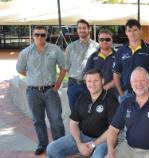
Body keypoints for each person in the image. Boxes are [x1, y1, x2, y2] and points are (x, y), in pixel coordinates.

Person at [46, 68, 119, 158]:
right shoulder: (82, 98)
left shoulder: (111, 100)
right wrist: (79, 143)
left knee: (98, 156)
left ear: (102, 81)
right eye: (89, 81)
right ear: (85, 82)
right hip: (83, 137)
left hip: (104, 141)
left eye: (95, 81)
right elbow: (73, 123)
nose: (92, 84)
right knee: (52, 149)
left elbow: (113, 129)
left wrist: (93, 145)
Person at [16, 25, 65, 155]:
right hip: (33, 92)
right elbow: (20, 69)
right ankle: (42, 144)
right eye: (37, 34)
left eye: (42, 35)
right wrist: (34, 78)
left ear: (46, 36)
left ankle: (59, 145)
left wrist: (58, 83)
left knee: (56, 120)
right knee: (38, 120)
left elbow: (63, 67)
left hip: (51, 91)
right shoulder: (26, 52)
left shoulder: (55, 49)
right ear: (33, 36)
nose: (39, 37)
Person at [106, 67, 149, 158]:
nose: (139, 84)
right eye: (135, 81)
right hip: (127, 149)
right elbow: (112, 130)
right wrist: (110, 152)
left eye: (142, 80)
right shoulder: (126, 103)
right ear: (131, 84)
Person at [113, 19, 149, 102]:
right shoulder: (121, 51)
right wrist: (121, 93)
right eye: (129, 30)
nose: (132, 33)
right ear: (126, 32)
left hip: (145, 93)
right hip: (126, 95)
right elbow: (116, 74)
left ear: (140, 31)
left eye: (135, 30)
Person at [66, 19, 99, 113]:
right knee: (74, 113)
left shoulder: (96, 47)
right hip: (73, 85)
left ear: (89, 29)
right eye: (79, 28)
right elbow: (66, 66)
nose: (82, 30)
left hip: (90, 85)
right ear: (77, 30)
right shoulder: (70, 47)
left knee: (90, 112)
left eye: (84, 28)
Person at [84, 28, 116, 95]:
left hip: (115, 93)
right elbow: (87, 76)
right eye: (101, 39)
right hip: (96, 93)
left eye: (107, 39)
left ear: (112, 40)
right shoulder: (92, 57)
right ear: (98, 41)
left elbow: (121, 75)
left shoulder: (119, 56)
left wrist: (105, 87)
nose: (104, 41)